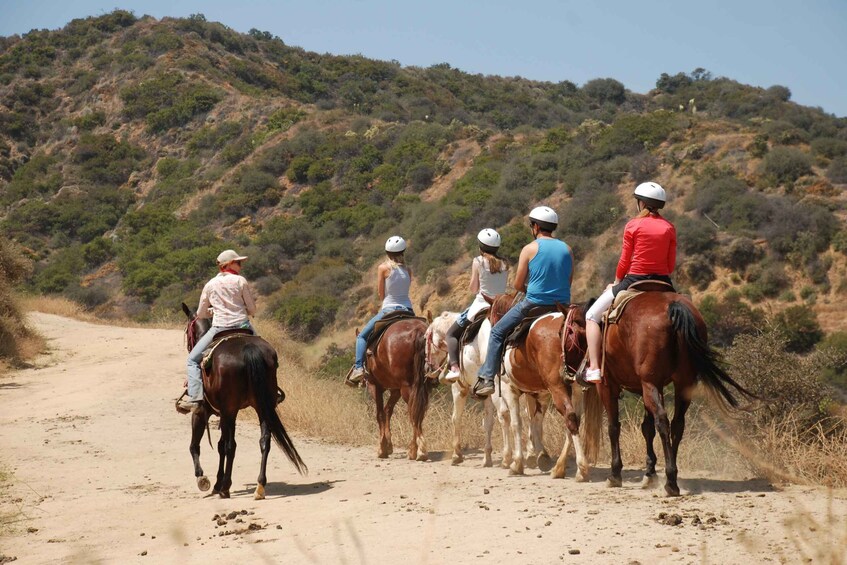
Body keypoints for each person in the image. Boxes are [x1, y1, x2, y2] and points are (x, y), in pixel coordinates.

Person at [582, 181, 677, 384]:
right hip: (663, 281)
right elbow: (670, 265)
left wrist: (616, 282)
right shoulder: (669, 227)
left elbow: (625, 260)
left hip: (635, 279)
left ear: (640, 203)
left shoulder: (633, 225)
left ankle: (594, 368)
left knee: (591, 316)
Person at [473, 207, 573, 397]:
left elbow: (518, 284)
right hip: (562, 306)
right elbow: (568, 281)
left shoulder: (529, 249)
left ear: (535, 227)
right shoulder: (567, 249)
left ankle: (486, 379)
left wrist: (532, 289)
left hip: (534, 304)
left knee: (496, 332)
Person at [177, 249, 257, 413]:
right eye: (238, 262)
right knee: (266, 353)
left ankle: (196, 399)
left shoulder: (210, 284)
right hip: (243, 326)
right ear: (228, 264)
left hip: (219, 328)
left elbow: (200, 314)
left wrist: (213, 312)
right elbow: (252, 309)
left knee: (192, 360)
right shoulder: (241, 281)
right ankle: (272, 390)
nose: (240, 265)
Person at [443, 228, 509, 383]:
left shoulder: (477, 261)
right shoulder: (505, 263)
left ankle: (454, 368)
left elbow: (473, 289)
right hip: (501, 306)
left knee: (451, 334)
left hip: (481, 305)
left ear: (480, 247)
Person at [347, 236, 415, 385]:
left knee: (362, 337)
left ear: (387, 252)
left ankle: (358, 368)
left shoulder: (383, 268)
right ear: (403, 252)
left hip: (389, 309)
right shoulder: (408, 270)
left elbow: (381, 294)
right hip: (409, 311)